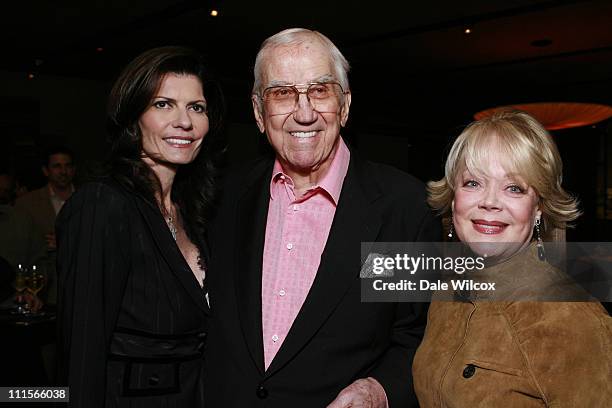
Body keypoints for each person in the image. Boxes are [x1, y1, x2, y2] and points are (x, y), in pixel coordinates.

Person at [204, 28, 439, 407]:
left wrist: (379, 389)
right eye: (282, 93)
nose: (305, 113)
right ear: (257, 112)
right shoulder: (223, 196)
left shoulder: (401, 207)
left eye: (319, 90)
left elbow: (416, 334)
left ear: (344, 105)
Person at [57, 46, 224, 407]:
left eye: (197, 107)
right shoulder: (102, 205)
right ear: (133, 117)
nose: (185, 122)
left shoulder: (192, 213)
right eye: (163, 104)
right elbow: (81, 353)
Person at [414, 110, 612, 406]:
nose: (490, 201)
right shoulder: (446, 289)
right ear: (454, 196)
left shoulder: (570, 317)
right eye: (472, 183)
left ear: (538, 209)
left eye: (514, 188)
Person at [15, 146, 76, 304]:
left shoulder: (89, 201)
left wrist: (65, 242)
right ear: (46, 171)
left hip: (80, 285)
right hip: (43, 290)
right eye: (57, 166)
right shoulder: (27, 204)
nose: (63, 171)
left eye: (68, 166)